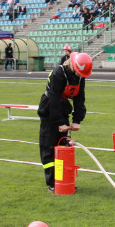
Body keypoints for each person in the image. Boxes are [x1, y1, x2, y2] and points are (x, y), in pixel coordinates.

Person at [38, 52, 91, 191]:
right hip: (50, 109)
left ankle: (65, 180)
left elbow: (80, 99)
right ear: (73, 65)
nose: (80, 76)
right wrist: (60, 122)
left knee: (64, 146)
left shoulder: (80, 76)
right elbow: (54, 100)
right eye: (79, 73)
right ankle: (52, 183)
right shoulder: (58, 73)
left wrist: (77, 120)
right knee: (49, 146)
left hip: (63, 108)